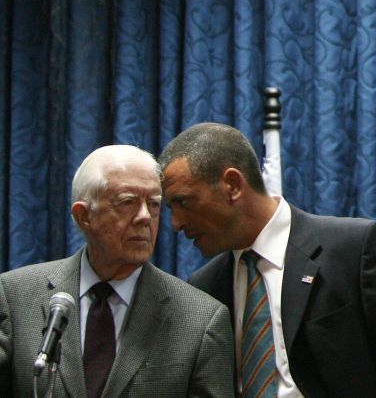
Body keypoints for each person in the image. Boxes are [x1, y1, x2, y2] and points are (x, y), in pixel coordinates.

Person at [159, 122, 376, 397]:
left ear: (232, 185)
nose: (175, 223)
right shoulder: (204, 289)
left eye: (183, 202)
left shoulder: (355, 249)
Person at [0, 145, 233, 397]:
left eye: (154, 204)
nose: (145, 217)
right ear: (83, 216)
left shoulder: (201, 319)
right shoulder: (15, 296)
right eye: (128, 202)